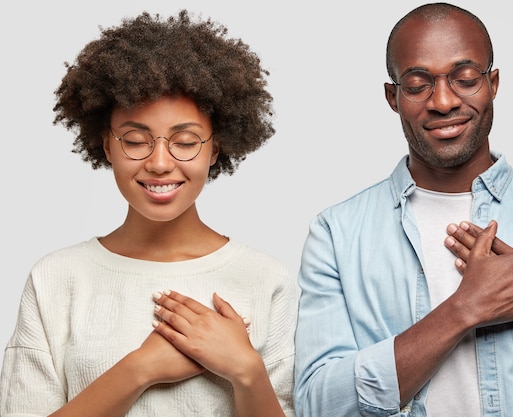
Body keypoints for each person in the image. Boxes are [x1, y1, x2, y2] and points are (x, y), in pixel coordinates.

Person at [293, 3, 513, 417]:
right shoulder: (337, 233)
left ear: (494, 83)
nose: (444, 101)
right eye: (417, 85)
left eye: (466, 79)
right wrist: (465, 309)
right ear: (392, 97)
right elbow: (319, 404)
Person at [0, 10, 298, 417]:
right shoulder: (56, 279)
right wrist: (140, 368)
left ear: (215, 148)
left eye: (186, 141)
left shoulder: (266, 280)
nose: (160, 162)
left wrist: (246, 371)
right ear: (106, 146)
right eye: (136, 140)